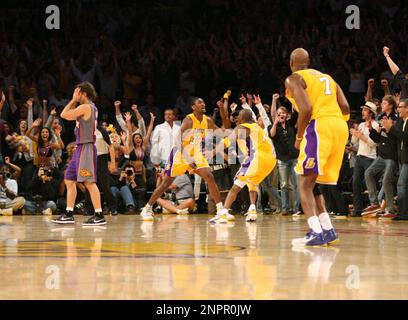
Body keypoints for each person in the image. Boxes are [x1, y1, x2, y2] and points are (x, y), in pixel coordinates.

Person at [285, 48, 350, 247]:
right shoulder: (328, 78)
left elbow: (306, 108)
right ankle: (328, 230)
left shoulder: (293, 79)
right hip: (340, 125)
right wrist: (335, 124)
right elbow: (346, 107)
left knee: (303, 182)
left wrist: (299, 136)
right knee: (314, 182)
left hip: (319, 126)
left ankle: (315, 232)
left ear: (291, 62)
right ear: (309, 61)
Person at [140, 97, 224, 221]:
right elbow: (178, 140)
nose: (203, 104)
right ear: (193, 107)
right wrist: (188, 158)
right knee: (166, 184)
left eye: (203, 102)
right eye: (199, 102)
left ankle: (221, 210)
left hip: (196, 153)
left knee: (209, 176)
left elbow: (222, 132)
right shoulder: (189, 120)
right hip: (180, 153)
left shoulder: (208, 121)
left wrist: (223, 109)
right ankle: (147, 208)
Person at [52, 82, 105, 226]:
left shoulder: (86, 107)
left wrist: (73, 100)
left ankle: (99, 214)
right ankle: (69, 213)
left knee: (88, 182)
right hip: (80, 148)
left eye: (77, 92)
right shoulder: (89, 107)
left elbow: (64, 115)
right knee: (69, 179)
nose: (75, 95)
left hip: (86, 148)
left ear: (84, 93)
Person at [212, 109, 276, 223]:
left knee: (236, 185)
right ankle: (252, 210)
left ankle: (224, 213)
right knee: (252, 182)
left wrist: (212, 152)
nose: (237, 118)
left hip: (256, 157)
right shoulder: (256, 126)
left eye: (239, 116)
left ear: (241, 119)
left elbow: (228, 141)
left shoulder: (242, 127)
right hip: (270, 160)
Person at [381, 99, 408, 221]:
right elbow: (396, 137)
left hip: (406, 159)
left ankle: (403, 213)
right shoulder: (401, 121)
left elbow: (404, 137)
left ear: (407, 108)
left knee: (401, 185)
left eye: (400, 107)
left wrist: (390, 128)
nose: (398, 109)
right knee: (402, 185)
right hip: (402, 158)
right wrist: (386, 128)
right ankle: (403, 212)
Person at [350, 102, 379, 217]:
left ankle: (374, 205)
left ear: (371, 113)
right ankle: (358, 209)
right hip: (360, 156)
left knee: (369, 183)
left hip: (370, 158)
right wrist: (354, 134)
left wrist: (360, 136)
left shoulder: (376, 125)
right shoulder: (361, 125)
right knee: (355, 183)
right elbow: (354, 142)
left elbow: (373, 143)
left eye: (365, 110)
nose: (363, 112)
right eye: (363, 110)